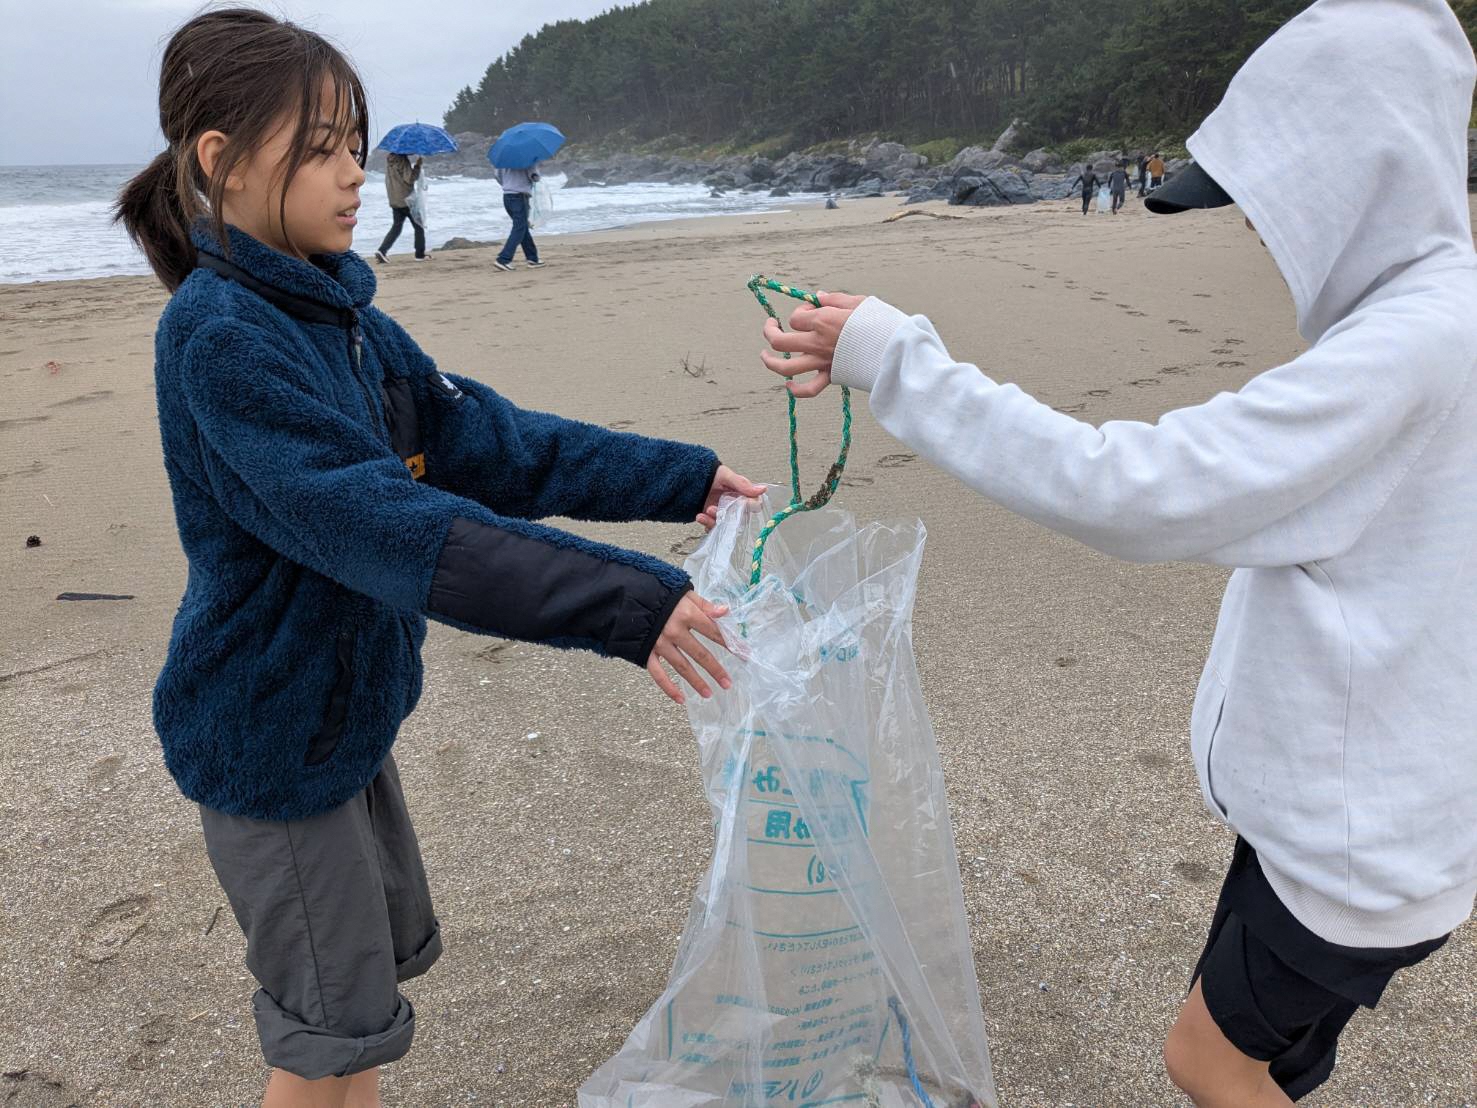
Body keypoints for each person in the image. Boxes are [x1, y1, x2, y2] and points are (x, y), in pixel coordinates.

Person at [757, 1, 1475, 1104]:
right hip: (1381, 814)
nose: (1254, 228)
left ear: (1350, 176)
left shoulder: (1411, 347)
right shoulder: (1445, 316)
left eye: (1269, 200)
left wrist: (895, 359)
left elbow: (1130, 489)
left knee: (1209, 1061)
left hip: (1357, 844)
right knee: (1263, 1063)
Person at [113, 10, 761, 1107]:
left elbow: (486, 441)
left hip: (339, 721)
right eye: (318, 149)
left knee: (359, 1018)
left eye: (355, 145)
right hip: (270, 740)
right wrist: (628, 604)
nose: (353, 174)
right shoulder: (222, 339)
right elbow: (385, 525)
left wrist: (677, 478)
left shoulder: (340, 317)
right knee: (322, 1036)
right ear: (222, 160)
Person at [373, 153, 426, 262]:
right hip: (407, 200)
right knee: (419, 226)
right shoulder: (402, 160)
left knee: (396, 227)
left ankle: (382, 250)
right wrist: (417, 166)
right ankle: (420, 255)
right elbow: (410, 179)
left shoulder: (390, 160)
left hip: (395, 200)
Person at [493, 161, 541, 272]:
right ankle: (503, 259)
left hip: (507, 196)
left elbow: (497, 176)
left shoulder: (502, 160)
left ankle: (533, 258)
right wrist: (536, 171)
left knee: (522, 227)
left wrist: (508, 184)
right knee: (519, 228)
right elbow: (535, 177)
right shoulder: (527, 159)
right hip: (519, 196)